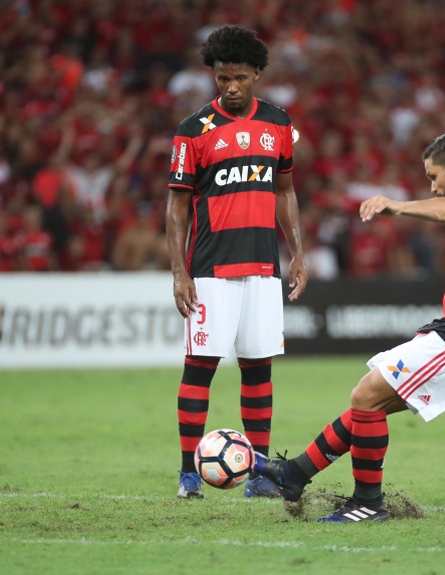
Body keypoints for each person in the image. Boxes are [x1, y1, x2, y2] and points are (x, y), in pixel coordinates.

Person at [255, 129, 445, 521]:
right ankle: (295, 474)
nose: (433, 187)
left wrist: (397, 206)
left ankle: (368, 503)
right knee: (372, 400)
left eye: (434, 176)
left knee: (366, 395)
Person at [165, 25, 307, 499]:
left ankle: (260, 474)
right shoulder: (193, 131)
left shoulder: (278, 123)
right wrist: (180, 272)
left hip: (263, 267)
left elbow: (285, 191)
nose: (231, 87)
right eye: (223, 78)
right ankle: (189, 473)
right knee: (200, 367)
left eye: (240, 78)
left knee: (258, 369)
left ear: (257, 75)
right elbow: (177, 206)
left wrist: (297, 253)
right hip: (210, 269)